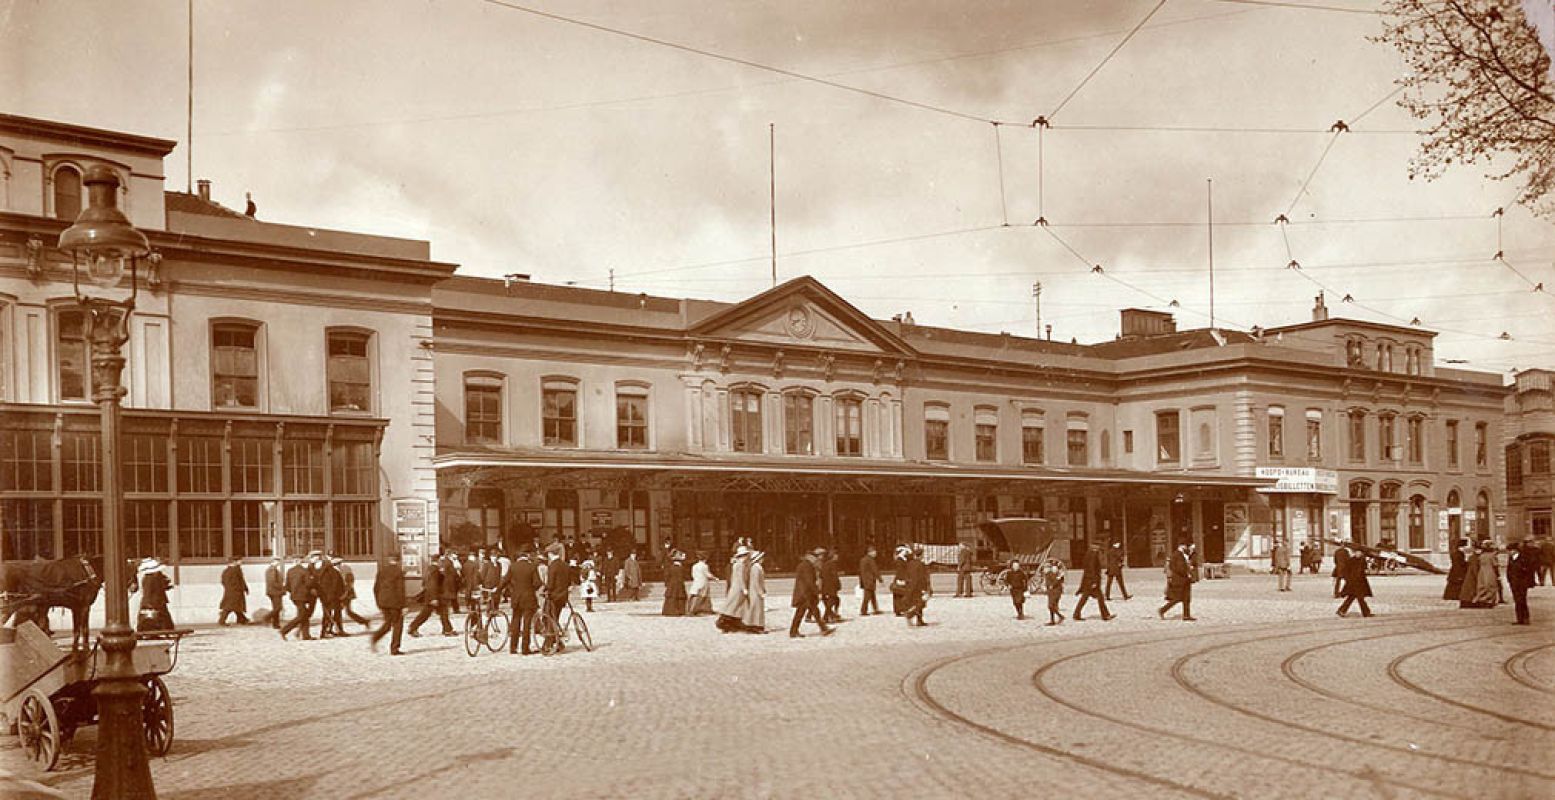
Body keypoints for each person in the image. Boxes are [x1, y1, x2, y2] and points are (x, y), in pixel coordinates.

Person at [790, 548, 833, 638]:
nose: (817, 559)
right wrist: (817, 592)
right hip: (805, 594)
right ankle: (793, 631)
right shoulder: (807, 566)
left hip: (805, 593)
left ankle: (823, 628)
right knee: (801, 613)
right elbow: (809, 581)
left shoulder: (805, 565)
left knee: (813, 611)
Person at [407, 556, 455, 637]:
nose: (442, 563)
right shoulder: (435, 570)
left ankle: (448, 629)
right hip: (433, 596)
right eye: (441, 561)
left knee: (443, 612)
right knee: (425, 614)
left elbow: (425, 583)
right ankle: (412, 627)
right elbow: (433, 584)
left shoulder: (430, 569)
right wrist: (434, 598)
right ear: (438, 561)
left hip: (433, 595)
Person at [369, 554, 406, 655]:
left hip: (383, 602)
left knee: (388, 623)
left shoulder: (382, 571)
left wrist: (379, 601)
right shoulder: (399, 572)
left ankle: (375, 637)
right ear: (399, 561)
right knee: (398, 624)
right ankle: (394, 648)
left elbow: (376, 588)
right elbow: (400, 590)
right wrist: (404, 605)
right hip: (395, 603)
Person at [507, 549, 541, 655]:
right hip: (528, 598)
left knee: (515, 621)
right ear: (527, 556)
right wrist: (530, 589)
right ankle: (525, 648)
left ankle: (513, 647)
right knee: (527, 623)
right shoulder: (532, 567)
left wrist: (498, 590)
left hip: (516, 597)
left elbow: (505, 580)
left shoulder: (513, 566)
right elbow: (537, 583)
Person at [1073, 541, 1114, 622]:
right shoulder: (1093, 555)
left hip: (1088, 580)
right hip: (1091, 581)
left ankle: (1076, 614)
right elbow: (1092, 569)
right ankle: (1105, 615)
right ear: (1096, 546)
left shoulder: (1088, 553)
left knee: (1086, 598)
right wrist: (1094, 581)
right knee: (1098, 598)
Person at [716, 545, 752, 632]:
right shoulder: (740, 565)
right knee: (734, 606)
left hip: (735, 588)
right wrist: (744, 589)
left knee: (733, 606)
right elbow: (740, 577)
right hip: (738, 589)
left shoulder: (736, 564)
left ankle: (730, 623)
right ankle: (725, 622)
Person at [279, 556, 317, 640]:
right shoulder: (304, 571)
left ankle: (306, 635)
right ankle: (284, 630)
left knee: (304, 615)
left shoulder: (290, 571)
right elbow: (309, 584)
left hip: (294, 597)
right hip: (303, 596)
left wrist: (293, 592)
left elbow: (287, 585)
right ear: (300, 561)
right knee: (302, 615)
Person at [1159, 542, 1197, 621]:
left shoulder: (1183, 554)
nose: (1186, 547)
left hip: (1184, 579)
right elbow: (1179, 568)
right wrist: (1187, 571)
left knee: (1186, 598)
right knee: (1177, 598)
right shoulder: (1177, 555)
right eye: (1186, 546)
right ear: (1181, 546)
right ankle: (1162, 610)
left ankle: (1186, 615)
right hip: (1180, 580)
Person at [135, 558, 175, 632]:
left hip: (157, 601)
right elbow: (148, 592)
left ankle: (167, 630)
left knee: (164, 617)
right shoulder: (151, 578)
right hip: (155, 602)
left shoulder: (152, 577)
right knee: (162, 617)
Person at [1336, 541, 1374, 618]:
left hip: (1360, 582)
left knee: (1353, 597)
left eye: (1360, 552)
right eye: (1357, 552)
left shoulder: (1362, 561)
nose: (1358, 554)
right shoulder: (1351, 560)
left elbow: (1364, 571)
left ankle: (1341, 610)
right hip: (1353, 582)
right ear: (1355, 552)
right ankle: (1366, 613)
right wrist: (1348, 579)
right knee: (1359, 598)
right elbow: (1346, 571)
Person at [1508, 539, 1539, 625]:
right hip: (1514, 583)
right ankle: (1519, 619)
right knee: (1517, 601)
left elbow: (1528, 570)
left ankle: (1525, 618)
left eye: (1510, 551)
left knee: (1522, 600)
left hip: (1522, 583)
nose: (1509, 552)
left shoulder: (1523, 558)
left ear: (1515, 550)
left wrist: (1526, 581)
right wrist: (1509, 580)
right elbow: (1509, 570)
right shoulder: (1511, 558)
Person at [316, 554, 346, 638]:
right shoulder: (334, 572)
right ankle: (327, 631)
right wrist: (341, 595)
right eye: (340, 563)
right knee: (330, 614)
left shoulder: (326, 572)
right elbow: (336, 585)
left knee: (331, 614)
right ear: (337, 564)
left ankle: (331, 630)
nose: (341, 565)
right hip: (333, 597)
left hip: (328, 597)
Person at [902, 547, 930, 627]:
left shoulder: (910, 563)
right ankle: (910, 615)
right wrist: (924, 588)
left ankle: (919, 620)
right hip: (918, 587)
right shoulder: (920, 564)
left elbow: (907, 575)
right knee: (920, 603)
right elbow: (921, 578)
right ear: (921, 555)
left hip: (910, 586)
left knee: (915, 603)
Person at [1471, 540, 1503, 607]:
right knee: (1491, 586)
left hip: (1482, 572)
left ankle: (1480, 599)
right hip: (1490, 572)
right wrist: (1498, 575)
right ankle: (1489, 601)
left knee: (1482, 586)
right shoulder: (1492, 556)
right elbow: (1495, 566)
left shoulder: (1481, 556)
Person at [217, 558, 249, 625]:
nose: (241, 562)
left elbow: (223, 582)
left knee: (236, 606)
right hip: (235, 591)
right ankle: (222, 620)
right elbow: (238, 581)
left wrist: (245, 588)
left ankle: (242, 619)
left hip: (231, 591)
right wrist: (240, 588)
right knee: (229, 607)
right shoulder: (234, 570)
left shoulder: (227, 571)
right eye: (239, 561)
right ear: (234, 562)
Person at [742, 550, 768, 633]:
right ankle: (755, 626)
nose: (763, 559)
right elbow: (756, 582)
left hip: (754, 591)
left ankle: (754, 625)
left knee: (756, 609)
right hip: (755, 592)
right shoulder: (756, 568)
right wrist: (761, 592)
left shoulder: (756, 567)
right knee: (757, 609)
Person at [1040, 558, 1066, 625]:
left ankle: (1059, 616)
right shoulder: (1048, 574)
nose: (1054, 569)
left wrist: (1058, 579)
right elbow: (1048, 583)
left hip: (1056, 592)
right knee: (1051, 606)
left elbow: (1057, 583)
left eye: (1056, 568)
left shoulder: (1056, 575)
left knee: (1051, 606)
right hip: (1050, 592)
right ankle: (1053, 620)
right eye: (1053, 568)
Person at [661, 552, 687, 616]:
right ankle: (679, 611)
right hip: (679, 584)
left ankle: (669, 611)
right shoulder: (681, 568)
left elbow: (667, 576)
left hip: (671, 584)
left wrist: (667, 583)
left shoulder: (670, 567)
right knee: (679, 597)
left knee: (671, 597)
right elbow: (683, 577)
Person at [820, 550, 842, 623]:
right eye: (836, 555)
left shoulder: (825, 564)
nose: (837, 557)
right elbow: (834, 575)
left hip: (825, 585)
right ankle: (827, 616)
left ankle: (831, 615)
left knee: (833, 600)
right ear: (833, 556)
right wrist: (838, 584)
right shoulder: (832, 564)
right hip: (831, 585)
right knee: (833, 600)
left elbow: (821, 575)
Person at [264, 557, 285, 628]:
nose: (278, 563)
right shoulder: (271, 570)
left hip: (274, 591)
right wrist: (282, 588)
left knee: (276, 608)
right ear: (272, 562)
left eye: (278, 561)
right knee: (278, 608)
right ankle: (267, 617)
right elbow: (273, 582)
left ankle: (276, 624)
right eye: (276, 561)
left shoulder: (274, 570)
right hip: (274, 592)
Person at [890, 546, 910, 616]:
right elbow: (900, 571)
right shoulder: (900, 560)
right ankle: (899, 609)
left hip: (901, 578)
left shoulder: (901, 559)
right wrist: (901, 579)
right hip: (900, 579)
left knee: (899, 595)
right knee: (899, 595)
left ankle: (900, 609)